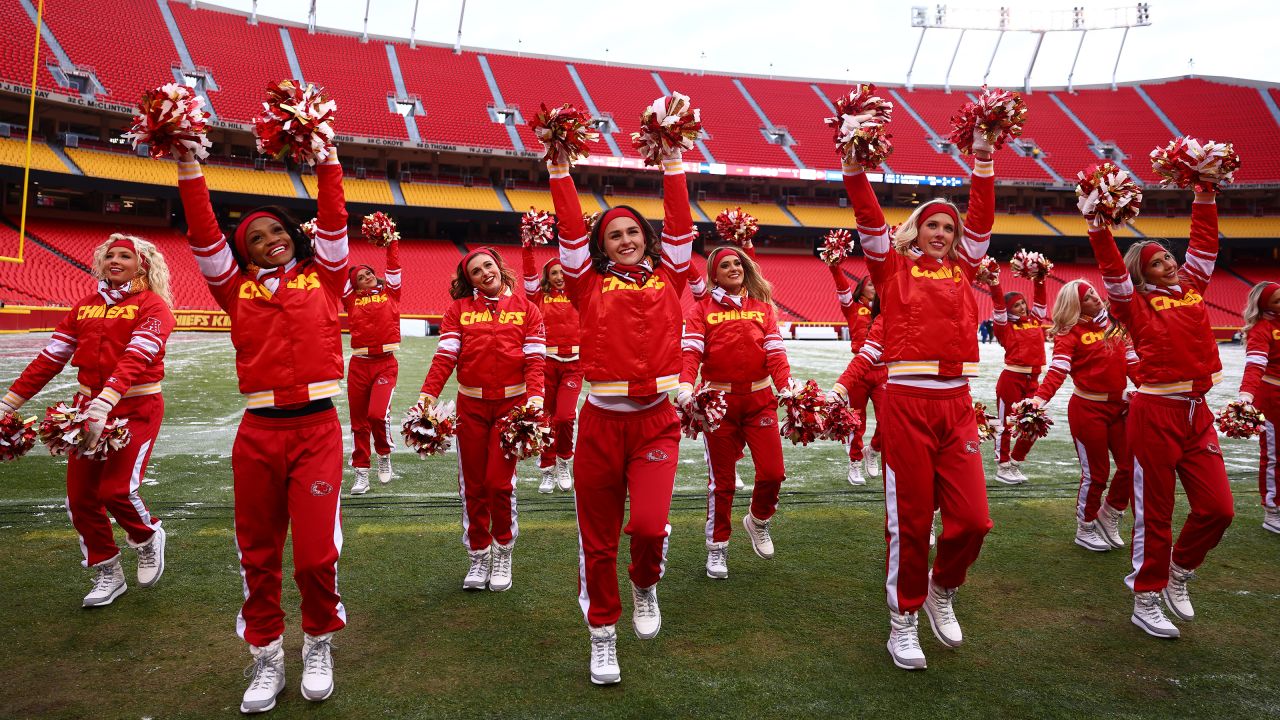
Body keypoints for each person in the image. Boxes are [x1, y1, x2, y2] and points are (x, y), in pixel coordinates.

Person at [174, 147, 348, 712]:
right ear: (242, 253)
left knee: (316, 556)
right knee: (258, 552)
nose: (270, 239)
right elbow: (203, 235)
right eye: (256, 236)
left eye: (278, 230)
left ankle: (318, 641)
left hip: (317, 431)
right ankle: (267, 653)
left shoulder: (325, 277)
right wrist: (188, 168)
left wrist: (327, 161)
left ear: (295, 235)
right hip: (258, 434)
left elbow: (335, 219)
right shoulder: (234, 289)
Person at [842, 128, 997, 670]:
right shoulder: (892, 269)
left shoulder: (964, 269)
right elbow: (865, 216)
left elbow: (981, 219)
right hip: (906, 402)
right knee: (910, 522)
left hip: (956, 404)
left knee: (973, 521)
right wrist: (853, 167)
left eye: (947, 227)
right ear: (915, 229)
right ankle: (902, 619)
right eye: (930, 224)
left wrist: (982, 158)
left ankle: (942, 588)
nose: (940, 232)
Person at [545, 145, 693, 685]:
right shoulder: (586, 282)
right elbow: (567, 227)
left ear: (645, 239)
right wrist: (560, 172)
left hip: (656, 421)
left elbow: (680, 224)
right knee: (598, 540)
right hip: (601, 425)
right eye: (614, 235)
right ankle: (603, 634)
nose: (626, 241)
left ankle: (645, 583)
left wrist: (672, 163)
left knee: (650, 527)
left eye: (633, 232)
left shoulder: (670, 276)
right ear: (600, 246)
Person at [1084, 184, 1233, 640]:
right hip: (1156, 412)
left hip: (1196, 410)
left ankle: (1180, 569)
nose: (1168, 264)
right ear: (1142, 273)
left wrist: (1204, 192)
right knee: (1157, 512)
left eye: (1168, 258)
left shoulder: (1192, 286)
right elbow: (1111, 270)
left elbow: (1205, 244)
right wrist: (1098, 227)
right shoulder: (1133, 304)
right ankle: (1146, 596)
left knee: (1219, 509)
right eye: (1156, 262)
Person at [1, 234, 174, 608]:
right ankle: (107, 570)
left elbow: (135, 357)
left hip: (135, 407)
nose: (115, 260)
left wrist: (106, 402)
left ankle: (146, 537)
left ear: (141, 264)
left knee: (117, 490)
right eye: (109, 255)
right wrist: (8, 402)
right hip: (85, 410)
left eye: (124, 255)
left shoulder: (154, 306)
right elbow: (49, 360)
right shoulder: (84, 307)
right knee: (80, 498)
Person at [419, 247, 545, 592]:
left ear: (499, 267)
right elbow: (445, 356)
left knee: (498, 484)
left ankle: (503, 546)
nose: (484, 273)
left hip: (512, 409)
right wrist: (428, 393)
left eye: (488, 265)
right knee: (472, 487)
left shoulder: (527, 309)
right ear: (469, 279)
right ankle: (478, 553)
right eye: (475, 271)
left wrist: (535, 397)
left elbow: (535, 360)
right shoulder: (458, 310)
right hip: (471, 409)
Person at [679, 245, 793, 580]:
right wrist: (686, 386)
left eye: (738, 263)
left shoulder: (762, 308)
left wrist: (786, 384)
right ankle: (717, 547)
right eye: (726, 265)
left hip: (759, 401)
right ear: (713, 274)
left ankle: (758, 520)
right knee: (723, 482)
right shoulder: (701, 310)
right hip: (719, 405)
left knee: (773, 473)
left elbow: (775, 352)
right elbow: (691, 353)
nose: (734, 268)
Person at [1029, 280, 1138, 551]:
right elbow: (1057, 370)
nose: (1096, 299)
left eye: (1094, 293)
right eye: (1088, 298)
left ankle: (1109, 513)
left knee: (1132, 465)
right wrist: (1039, 398)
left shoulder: (1116, 326)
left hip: (1119, 409)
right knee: (1096, 474)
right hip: (1087, 410)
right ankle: (1085, 527)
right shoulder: (1071, 333)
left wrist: (1153, 387)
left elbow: (1134, 364)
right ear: (1076, 305)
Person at [342, 236, 401, 495]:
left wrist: (391, 243)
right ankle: (361, 473)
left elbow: (394, 268)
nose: (365, 277)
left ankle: (384, 453)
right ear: (353, 285)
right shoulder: (351, 299)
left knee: (377, 414)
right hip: (359, 365)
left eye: (368, 273)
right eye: (359, 277)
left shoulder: (391, 292)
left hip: (385, 364)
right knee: (358, 423)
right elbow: (333, 272)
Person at [978, 265, 1048, 484]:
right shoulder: (1004, 327)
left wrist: (1040, 279)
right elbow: (998, 305)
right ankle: (1002, 466)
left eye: (1022, 303)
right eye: (1016, 305)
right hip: (1012, 379)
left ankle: (1015, 462)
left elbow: (1041, 303)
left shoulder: (1036, 320)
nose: (1022, 307)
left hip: (1033, 381)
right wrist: (994, 282)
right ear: (1008, 310)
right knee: (1005, 424)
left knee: (1035, 425)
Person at [522, 244, 581, 494]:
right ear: (548, 276)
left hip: (574, 365)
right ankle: (547, 469)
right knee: (544, 418)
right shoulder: (538, 297)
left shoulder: (579, 295)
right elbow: (529, 275)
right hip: (546, 364)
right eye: (554, 272)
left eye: (562, 272)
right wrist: (528, 248)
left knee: (565, 418)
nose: (559, 277)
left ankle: (563, 460)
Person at [829, 262, 879, 484]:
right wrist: (835, 267)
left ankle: (874, 450)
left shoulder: (887, 307)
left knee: (890, 423)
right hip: (859, 370)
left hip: (884, 370)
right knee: (856, 421)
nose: (875, 287)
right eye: (870, 283)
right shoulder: (852, 307)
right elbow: (841, 288)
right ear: (861, 287)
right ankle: (855, 463)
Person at [1239, 281, 1280, 534]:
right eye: (1277, 301)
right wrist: (1246, 395)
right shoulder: (1261, 328)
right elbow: (1255, 365)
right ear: (1264, 305)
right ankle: (1272, 510)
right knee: (1274, 456)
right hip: (1272, 397)